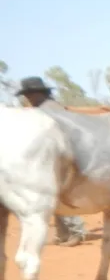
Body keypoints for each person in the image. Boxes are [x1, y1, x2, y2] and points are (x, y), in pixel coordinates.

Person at [17, 76, 87, 246]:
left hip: (61, 158)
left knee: (60, 195)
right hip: (56, 158)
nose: (27, 98)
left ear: (36, 94)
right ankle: (63, 234)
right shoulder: (49, 107)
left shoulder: (47, 110)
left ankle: (76, 232)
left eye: (28, 95)